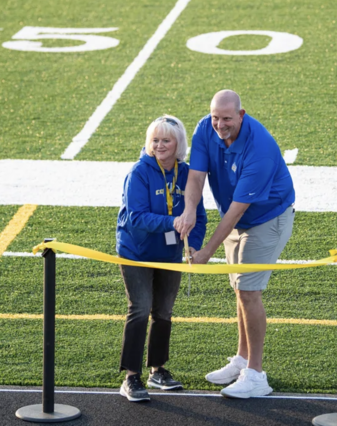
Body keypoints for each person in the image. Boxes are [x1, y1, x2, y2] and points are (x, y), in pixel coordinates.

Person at [174, 90, 294, 399]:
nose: (219, 125)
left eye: (226, 118)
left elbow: (237, 211)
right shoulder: (205, 128)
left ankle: (256, 374)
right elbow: (197, 178)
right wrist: (188, 209)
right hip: (235, 216)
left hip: (267, 218)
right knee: (239, 289)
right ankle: (242, 360)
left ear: (241, 115)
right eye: (215, 117)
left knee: (249, 292)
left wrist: (205, 254)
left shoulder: (261, 149)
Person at [116, 115, 207, 402]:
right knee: (140, 308)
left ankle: (158, 370)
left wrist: (194, 244)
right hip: (136, 252)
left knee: (164, 311)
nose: (159, 145)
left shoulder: (188, 174)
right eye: (155, 140)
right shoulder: (139, 172)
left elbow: (199, 216)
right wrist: (174, 222)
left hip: (169, 254)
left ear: (179, 144)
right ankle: (130, 376)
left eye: (166, 140)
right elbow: (136, 218)